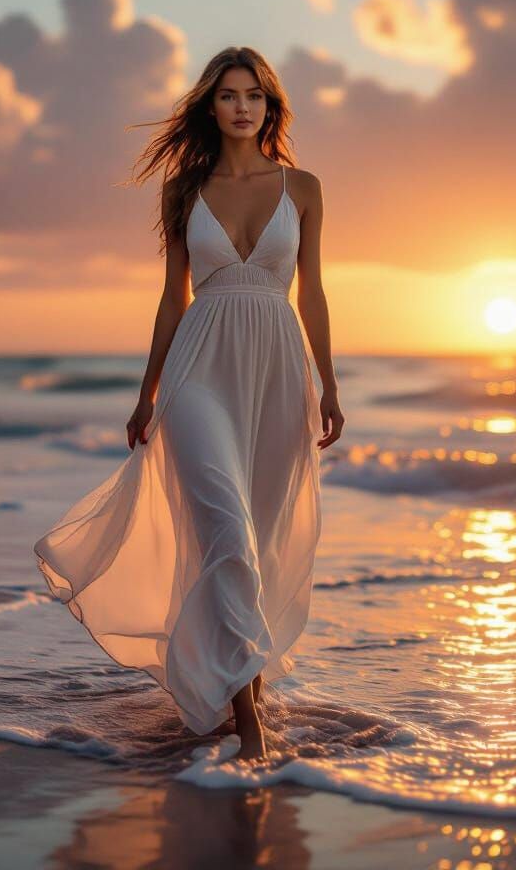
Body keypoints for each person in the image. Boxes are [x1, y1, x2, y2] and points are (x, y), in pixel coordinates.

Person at [34, 45, 343, 762]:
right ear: (211, 105)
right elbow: (172, 298)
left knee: (258, 543)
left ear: (270, 107)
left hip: (276, 370)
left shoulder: (304, 188)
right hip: (198, 369)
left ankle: (245, 682)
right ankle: (248, 724)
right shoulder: (182, 190)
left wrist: (329, 383)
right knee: (227, 536)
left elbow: (314, 292)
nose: (243, 106)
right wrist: (147, 392)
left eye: (255, 96)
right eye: (230, 95)